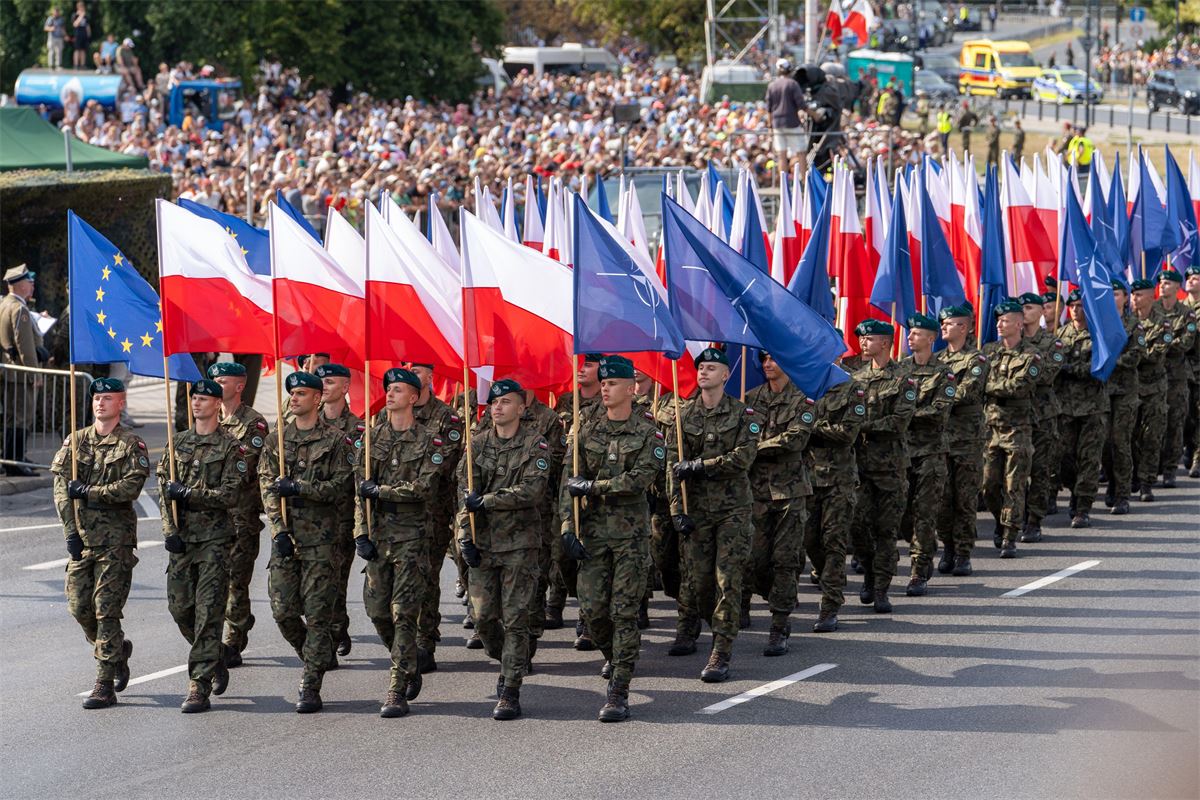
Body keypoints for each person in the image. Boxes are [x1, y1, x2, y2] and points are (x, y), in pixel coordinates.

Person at [559, 355, 662, 722]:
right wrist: (568, 528)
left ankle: (619, 689)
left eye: (613, 382)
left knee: (623, 612)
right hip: (594, 536)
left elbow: (640, 477)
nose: (605, 387)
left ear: (632, 388)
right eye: (602, 382)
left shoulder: (649, 432)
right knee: (593, 611)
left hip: (630, 538)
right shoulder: (588, 429)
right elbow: (567, 486)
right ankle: (615, 658)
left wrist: (595, 486)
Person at [259, 370, 355, 714]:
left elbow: (341, 487)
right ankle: (317, 653)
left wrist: (300, 488)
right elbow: (267, 486)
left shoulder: (335, 441)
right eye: (292, 393)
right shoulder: (277, 441)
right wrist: (278, 530)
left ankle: (310, 682)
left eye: (302, 393)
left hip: (321, 542)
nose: (295, 398)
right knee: (283, 611)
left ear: (318, 398)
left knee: (317, 615)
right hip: (287, 539)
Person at [50, 377, 149, 708]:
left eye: (108, 398)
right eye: (96, 398)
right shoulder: (76, 442)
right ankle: (117, 651)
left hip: (115, 541)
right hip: (83, 538)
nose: (100, 403)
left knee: (106, 610)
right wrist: (70, 532)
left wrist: (91, 493)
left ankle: (104, 683)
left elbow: (130, 488)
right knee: (79, 607)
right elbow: (62, 488)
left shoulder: (130, 444)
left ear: (121, 404)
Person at [456, 378, 551, 721]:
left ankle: (510, 688)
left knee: (515, 618)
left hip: (520, 545)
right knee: (483, 619)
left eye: (506, 402)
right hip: (485, 544)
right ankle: (511, 658)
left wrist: (487, 501)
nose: (498, 407)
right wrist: (465, 536)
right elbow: (463, 498)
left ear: (522, 408)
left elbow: (532, 491)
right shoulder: (476, 446)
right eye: (494, 402)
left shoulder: (535, 446)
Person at [354, 368, 442, 718]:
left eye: (399, 390)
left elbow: (424, 487)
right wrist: (361, 532)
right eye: (388, 389)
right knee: (377, 611)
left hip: (412, 536)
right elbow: (358, 492)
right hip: (379, 535)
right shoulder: (370, 440)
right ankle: (408, 663)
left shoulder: (429, 441)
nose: (390, 395)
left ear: (414, 398)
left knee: (403, 613)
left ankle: (395, 690)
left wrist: (383, 492)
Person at [666, 347, 757, 681]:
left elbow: (743, 458)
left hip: (732, 510)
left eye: (711, 367)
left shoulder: (743, 414)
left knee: (727, 580)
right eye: (701, 367)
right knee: (701, 583)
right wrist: (677, 509)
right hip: (698, 512)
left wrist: (700, 466)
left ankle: (721, 650)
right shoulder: (684, 416)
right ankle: (711, 625)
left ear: (726, 375)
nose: (704, 372)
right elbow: (673, 468)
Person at [156, 378, 243, 713]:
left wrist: (191, 495)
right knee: (180, 609)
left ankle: (199, 685)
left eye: (205, 399)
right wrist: (169, 530)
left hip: (214, 541)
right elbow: (164, 489)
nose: (197, 403)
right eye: (194, 398)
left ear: (216, 405)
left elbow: (230, 494)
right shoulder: (176, 443)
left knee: (208, 614)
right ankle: (214, 653)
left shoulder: (229, 446)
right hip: (183, 540)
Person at [743, 351, 815, 652]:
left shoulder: (803, 400)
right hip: (756, 492)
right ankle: (769, 598)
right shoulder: (750, 398)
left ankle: (779, 625)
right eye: (764, 358)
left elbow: (796, 439)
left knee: (784, 560)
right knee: (756, 559)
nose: (767, 364)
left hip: (790, 492)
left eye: (774, 358)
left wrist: (756, 447)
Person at [851, 319, 916, 612]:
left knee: (886, 530)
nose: (864, 343)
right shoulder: (855, 379)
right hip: (860, 468)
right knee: (858, 526)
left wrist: (861, 426)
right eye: (862, 339)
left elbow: (899, 421)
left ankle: (881, 588)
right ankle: (869, 572)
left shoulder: (904, 379)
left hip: (890, 468)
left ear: (886, 343)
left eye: (870, 339)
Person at [208, 362, 268, 668]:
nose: (216, 384)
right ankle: (237, 621)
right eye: (214, 379)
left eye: (223, 380)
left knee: (235, 581)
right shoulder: (206, 419)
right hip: (210, 518)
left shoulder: (253, 424)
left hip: (240, 517)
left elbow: (244, 467)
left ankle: (233, 638)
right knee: (213, 582)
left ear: (239, 386)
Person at [406, 363, 465, 674]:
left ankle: (425, 640)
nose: (410, 373)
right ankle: (405, 638)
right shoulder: (388, 415)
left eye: (417, 369)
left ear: (431, 376)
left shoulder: (446, 417)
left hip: (433, 512)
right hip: (397, 516)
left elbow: (445, 465)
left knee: (426, 577)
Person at [803, 359, 865, 632]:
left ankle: (830, 606)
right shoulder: (802, 383)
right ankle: (829, 576)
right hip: (807, 478)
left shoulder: (851, 388)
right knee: (810, 540)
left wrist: (809, 428)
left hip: (838, 479)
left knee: (833, 541)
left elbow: (847, 433)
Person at [900, 313, 957, 596]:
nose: (910, 338)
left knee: (924, 514)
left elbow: (938, 411)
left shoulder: (943, 374)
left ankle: (919, 573)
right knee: (902, 516)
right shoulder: (899, 370)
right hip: (900, 455)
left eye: (917, 333)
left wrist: (902, 416)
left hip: (931, 452)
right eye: (910, 333)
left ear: (931, 339)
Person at [551, 353, 604, 648]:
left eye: (589, 364)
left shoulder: (609, 407)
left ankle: (587, 615)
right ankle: (579, 601)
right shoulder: (563, 402)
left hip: (596, 494)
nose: (581, 368)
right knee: (562, 554)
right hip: (564, 487)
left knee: (590, 554)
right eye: (579, 363)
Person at [312, 363, 363, 665]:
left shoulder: (356, 430)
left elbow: (357, 479)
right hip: (308, 523)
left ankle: (329, 638)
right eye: (321, 383)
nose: (324, 387)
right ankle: (336, 626)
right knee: (315, 587)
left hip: (341, 519)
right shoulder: (304, 425)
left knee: (334, 582)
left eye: (330, 382)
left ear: (345, 387)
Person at [982, 300, 1042, 556]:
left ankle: (1009, 534)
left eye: (1004, 320)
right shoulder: (988, 351)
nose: (999, 324)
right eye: (998, 320)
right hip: (991, 428)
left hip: (1018, 428)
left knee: (1013, 484)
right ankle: (999, 520)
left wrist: (989, 385)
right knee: (988, 485)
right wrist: (991, 384)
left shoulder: (1032, 356)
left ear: (1018, 324)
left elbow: (1020, 387)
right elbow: (977, 381)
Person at [935, 304, 989, 576]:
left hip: (967, 441)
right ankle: (947, 546)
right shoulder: (936, 361)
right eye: (942, 323)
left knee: (965, 499)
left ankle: (964, 552)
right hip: (941, 440)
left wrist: (934, 398)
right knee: (942, 499)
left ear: (965, 328)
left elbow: (965, 393)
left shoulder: (976, 361)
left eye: (950, 323)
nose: (943, 326)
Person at [1056, 291, 1108, 528]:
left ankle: (1083, 508)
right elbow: (1054, 365)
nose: (1075, 310)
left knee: (1089, 459)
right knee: (1064, 458)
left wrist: (1069, 368)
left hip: (1092, 406)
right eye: (1072, 305)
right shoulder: (1061, 334)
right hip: (1066, 407)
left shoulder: (1099, 334)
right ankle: (1075, 492)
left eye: (1080, 305)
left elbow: (1098, 367)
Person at [1019, 292, 1065, 541]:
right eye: (1021, 308)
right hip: (1013, 417)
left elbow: (1046, 375)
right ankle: (1010, 520)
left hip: (1043, 415)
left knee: (1039, 470)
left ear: (1040, 312)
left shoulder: (1052, 343)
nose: (1024, 312)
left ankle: (1034, 521)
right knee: (1009, 473)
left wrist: (1016, 378)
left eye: (1028, 307)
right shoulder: (1008, 344)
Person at [1101, 280, 1144, 515]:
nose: (1112, 297)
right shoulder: (1101, 323)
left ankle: (1122, 494)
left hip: (1126, 391)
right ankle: (1112, 482)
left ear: (1125, 298)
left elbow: (1135, 356)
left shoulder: (1133, 325)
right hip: (1103, 391)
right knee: (1104, 444)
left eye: (1116, 294)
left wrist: (1109, 363)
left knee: (1121, 442)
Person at [1153, 269, 1198, 487]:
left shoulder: (1186, 313)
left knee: (1175, 423)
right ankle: (1151, 468)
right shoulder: (1151, 310)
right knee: (1152, 425)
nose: (1163, 285)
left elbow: (1185, 344)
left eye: (1168, 283)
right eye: (1161, 282)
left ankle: (1170, 469)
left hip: (1177, 376)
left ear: (1177, 287)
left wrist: (1159, 345)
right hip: (1152, 376)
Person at [1130, 279, 1171, 502]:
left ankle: (1147, 482)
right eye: (1133, 295)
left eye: (1139, 295)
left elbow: (1156, 354)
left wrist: (1131, 355)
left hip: (1154, 388)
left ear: (1151, 297)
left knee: (1151, 436)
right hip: (1130, 388)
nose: (1135, 299)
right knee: (1130, 435)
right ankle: (1133, 474)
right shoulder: (1125, 323)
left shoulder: (1163, 324)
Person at [1, 266, 44, 476]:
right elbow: (25, 346)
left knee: (12, 417)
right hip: (20, 374)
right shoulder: (19, 309)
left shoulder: (4, 304)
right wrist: (33, 374)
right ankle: (15, 462)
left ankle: (13, 458)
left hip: (10, 372)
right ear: (20, 284)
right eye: (29, 282)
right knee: (21, 418)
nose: (32, 286)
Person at [766, 58, 806, 177]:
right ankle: (804, 181)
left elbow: (769, 109)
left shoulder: (772, 85)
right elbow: (801, 105)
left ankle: (783, 184)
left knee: (781, 154)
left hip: (777, 124)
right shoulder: (792, 84)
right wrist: (815, 114)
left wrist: (769, 126)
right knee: (801, 153)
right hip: (792, 123)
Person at [1183, 266, 1200, 478]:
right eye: (1189, 278)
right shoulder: (1178, 309)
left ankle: (1197, 457)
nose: (1192, 281)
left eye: (1196, 278)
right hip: (1182, 371)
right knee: (1184, 416)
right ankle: (1188, 444)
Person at [71, 2, 90, 69]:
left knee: (83, 50)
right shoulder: (75, 15)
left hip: (84, 35)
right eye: (81, 7)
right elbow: (75, 24)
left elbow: (87, 26)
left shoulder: (86, 16)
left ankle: (83, 65)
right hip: (78, 35)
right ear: (78, 7)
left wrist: (88, 34)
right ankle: (76, 65)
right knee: (77, 50)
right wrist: (81, 16)